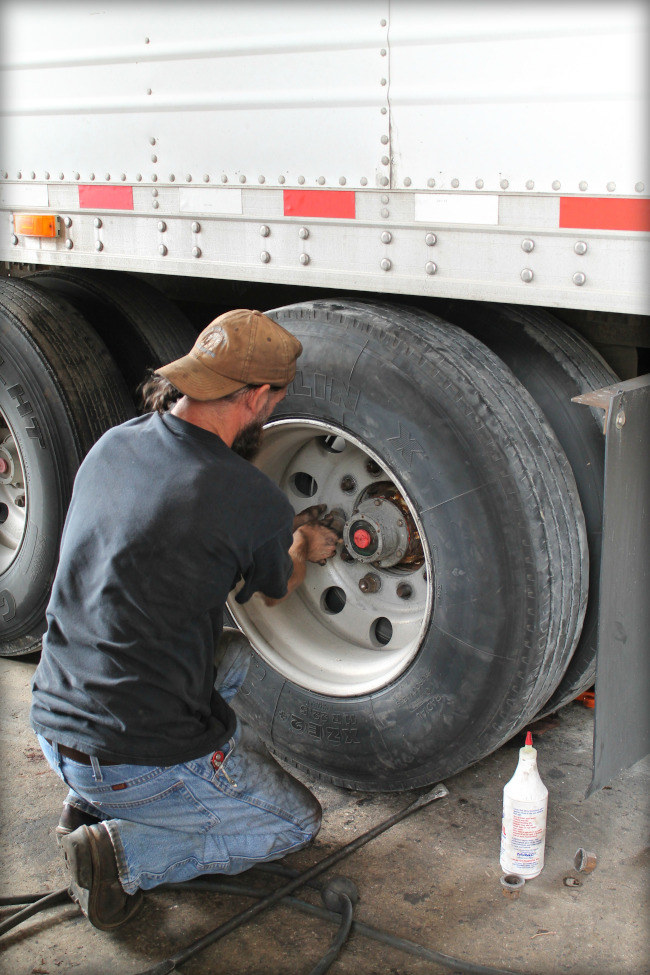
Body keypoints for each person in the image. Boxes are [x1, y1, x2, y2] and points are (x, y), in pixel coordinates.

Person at [30, 309, 338, 930]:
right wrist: (301, 545)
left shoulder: (117, 442)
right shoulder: (248, 497)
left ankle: (88, 805)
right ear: (256, 397)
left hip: (53, 718)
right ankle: (115, 853)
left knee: (235, 655)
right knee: (292, 825)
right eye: (275, 397)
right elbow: (277, 592)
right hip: (121, 754)